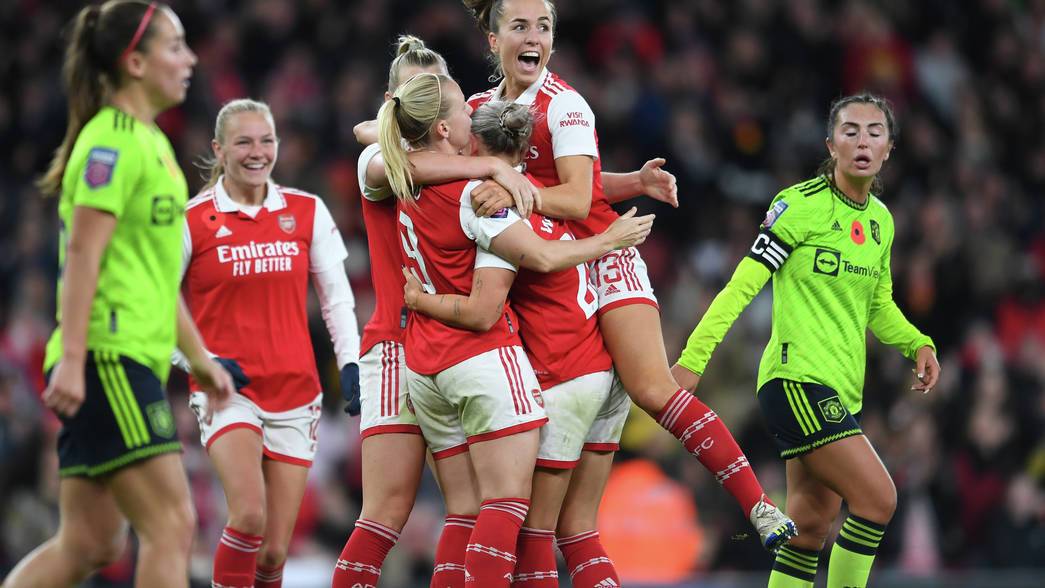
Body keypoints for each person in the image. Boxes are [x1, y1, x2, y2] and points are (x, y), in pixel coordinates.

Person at [462, 0, 796, 555]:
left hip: (603, 255)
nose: (534, 37)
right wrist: (632, 181)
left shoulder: (565, 106)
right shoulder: (478, 109)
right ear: (493, 40)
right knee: (563, 525)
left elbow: (573, 195)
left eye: (544, 27)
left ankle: (757, 504)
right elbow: (576, 184)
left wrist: (515, 191)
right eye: (519, 26)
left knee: (650, 387)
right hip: (540, 277)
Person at [379, 72, 651, 587]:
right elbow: (530, 269)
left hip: (422, 364)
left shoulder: (398, 175)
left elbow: (372, 139)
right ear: (442, 129)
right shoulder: (477, 194)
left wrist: (418, 299)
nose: (472, 111)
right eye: (462, 108)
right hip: (492, 361)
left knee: (462, 513)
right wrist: (610, 238)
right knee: (523, 520)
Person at [3, 3, 235, 587]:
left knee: (90, 542)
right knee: (173, 524)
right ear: (134, 61)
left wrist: (202, 362)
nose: (191, 58)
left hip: (127, 357)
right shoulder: (109, 143)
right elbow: (82, 254)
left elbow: (156, 276)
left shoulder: (152, 143)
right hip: (110, 359)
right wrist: (76, 360)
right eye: (175, 46)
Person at [672, 93, 941, 588]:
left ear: (889, 149)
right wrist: (693, 360)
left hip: (841, 393)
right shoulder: (797, 206)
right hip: (795, 382)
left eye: (874, 132)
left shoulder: (881, 222)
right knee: (878, 499)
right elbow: (742, 286)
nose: (862, 141)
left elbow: (878, 307)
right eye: (850, 131)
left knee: (810, 528)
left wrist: (917, 344)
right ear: (830, 144)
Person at [333, 35, 543, 588]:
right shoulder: (379, 158)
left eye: (437, 87)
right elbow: (387, 156)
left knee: (470, 508)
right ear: (393, 104)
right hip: (396, 344)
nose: (426, 98)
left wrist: (496, 169)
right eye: (412, 92)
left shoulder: (465, 150)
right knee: (386, 512)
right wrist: (494, 171)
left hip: (445, 345)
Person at [180, 98, 360, 588]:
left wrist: (350, 362)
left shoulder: (307, 210)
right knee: (248, 518)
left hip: (296, 390)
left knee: (273, 553)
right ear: (219, 149)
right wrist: (200, 360)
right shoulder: (192, 220)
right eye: (243, 142)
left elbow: (337, 297)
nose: (257, 152)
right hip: (226, 389)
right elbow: (157, 308)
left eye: (266, 140)